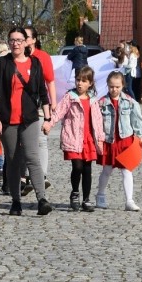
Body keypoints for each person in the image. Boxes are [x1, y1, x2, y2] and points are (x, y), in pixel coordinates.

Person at [0, 27, 52, 216]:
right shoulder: (1, 63)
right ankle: (16, 201)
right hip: (7, 119)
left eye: (19, 40)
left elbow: (42, 92)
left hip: (30, 118)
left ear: (26, 42)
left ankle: (42, 199)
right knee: (14, 160)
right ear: (9, 43)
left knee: (32, 156)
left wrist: (47, 118)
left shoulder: (36, 63)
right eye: (12, 40)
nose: (15, 43)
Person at [42, 66, 105, 212]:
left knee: (87, 169)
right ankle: (75, 192)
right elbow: (58, 113)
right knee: (77, 167)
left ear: (90, 83)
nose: (80, 83)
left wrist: (100, 138)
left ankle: (87, 199)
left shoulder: (93, 100)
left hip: (88, 139)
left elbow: (97, 119)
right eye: (78, 80)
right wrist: (49, 123)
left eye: (84, 81)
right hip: (74, 138)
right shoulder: (69, 97)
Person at [95, 71, 142, 212]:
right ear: (107, 85)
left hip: (125, 140)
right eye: (112, 86)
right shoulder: (101, 103)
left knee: (127, 170)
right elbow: (96, 122)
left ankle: (129, 201)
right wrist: (97, 139)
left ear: (122, 86)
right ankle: (100, 195)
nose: (114, 89)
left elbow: (138, 120)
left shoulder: (130, 102)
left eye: (117, 87)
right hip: (109, 141)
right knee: (106, 170)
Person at [23, 25, 55, 195]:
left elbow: (49, 81)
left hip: (39, 104)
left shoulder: (42, 57)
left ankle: (41, 175)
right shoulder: (17, 57)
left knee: (41, 140)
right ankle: (27, 176)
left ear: (34, 39)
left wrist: (53, 103)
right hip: (21, 105)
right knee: (26, 142)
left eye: (27, 37)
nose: (24, 40)